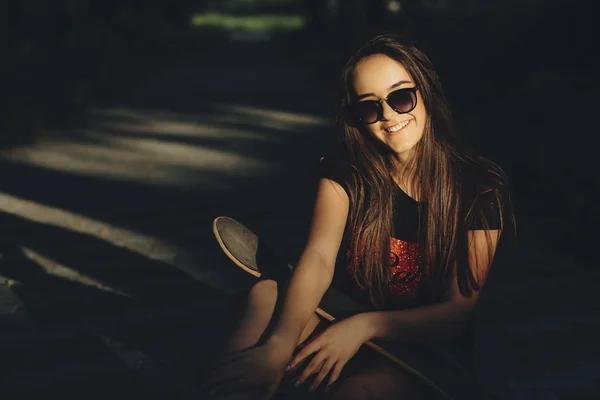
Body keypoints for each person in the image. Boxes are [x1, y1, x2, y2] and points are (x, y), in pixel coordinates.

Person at [205, 33, 516, 400]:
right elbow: (318, 259)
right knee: (264, 296)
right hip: (339, 314)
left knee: (358, 392)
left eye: (401, 97)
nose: (388, 115)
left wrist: (363, 328)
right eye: (370, 107)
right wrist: (278, 346)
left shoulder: (479, 190)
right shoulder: (345, 173)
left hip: (418, 348)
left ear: (426, 93)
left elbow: (455, 314)